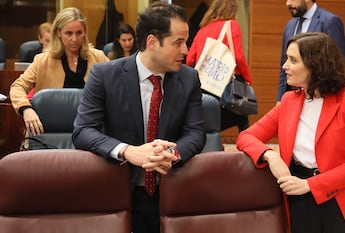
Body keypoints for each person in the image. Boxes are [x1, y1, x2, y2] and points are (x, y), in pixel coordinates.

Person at [236, 32, 345, 233]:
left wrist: (311, 185)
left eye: (293, 60)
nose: (284, 66)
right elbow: (246, 136)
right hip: (299, 194)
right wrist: (271, 156)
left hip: (342, 195)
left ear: (315, 65)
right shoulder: (288, 102)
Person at [72, 2, 206, 233]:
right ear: (152, 42)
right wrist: (128, 151)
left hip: (171, 187)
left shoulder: (189, 78)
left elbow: (196, 132)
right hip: (120, 188)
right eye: (178, 42)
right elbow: (83, 131)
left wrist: (169, 154)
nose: (186, 50)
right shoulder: (105, 75)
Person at [9, 7, 109, 136]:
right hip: (50, 130)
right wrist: (26, 109)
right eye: (69, 33)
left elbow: (119, 86)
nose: (74, 39)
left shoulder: (99, 58)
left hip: (92, 130)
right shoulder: (42, 60)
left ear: (85, 33)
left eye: (79, 33)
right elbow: (17, 87)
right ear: (58, 33)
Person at [186, 0, 252, 132]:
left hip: (205, 81)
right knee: (242, 117)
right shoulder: (232, 25)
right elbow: (238, 56)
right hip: (228, 79)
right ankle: (246, 146)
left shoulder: (203, 30)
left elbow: (189, 59)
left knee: (211, 113)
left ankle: (210, 141)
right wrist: (248, 77)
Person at [277, 0, 345, 102]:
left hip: (321, 97)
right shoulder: (290, 25)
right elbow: (283, 66)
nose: (288, 3)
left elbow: (337, 65)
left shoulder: (329, 21)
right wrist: (280, 99)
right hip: (293, 99)